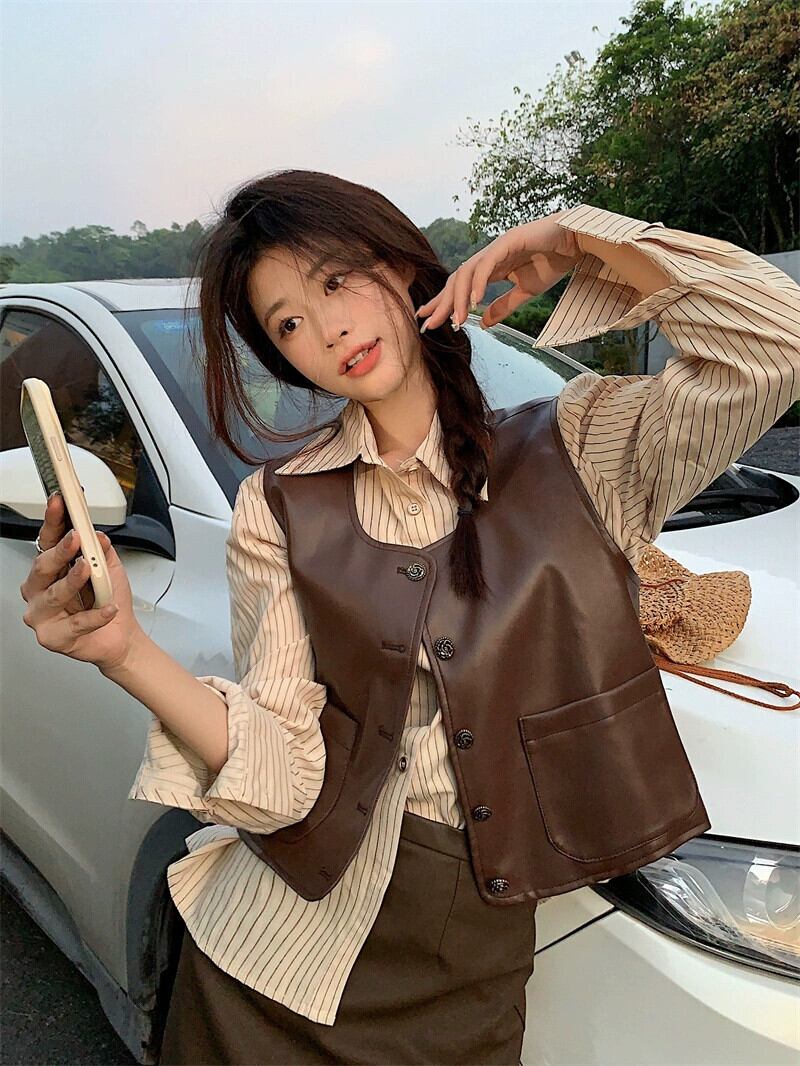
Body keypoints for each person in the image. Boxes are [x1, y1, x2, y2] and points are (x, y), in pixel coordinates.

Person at [19, 169, 800, 1066]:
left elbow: (773, 343)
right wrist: (124, 652)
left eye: (336, 280)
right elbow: (284, 775)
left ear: (399, 265)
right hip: (265, 962)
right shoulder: (279, 508)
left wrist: (577, 239)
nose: (327, 329)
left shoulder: (579, 445)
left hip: (464, 963)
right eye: (287, 324)